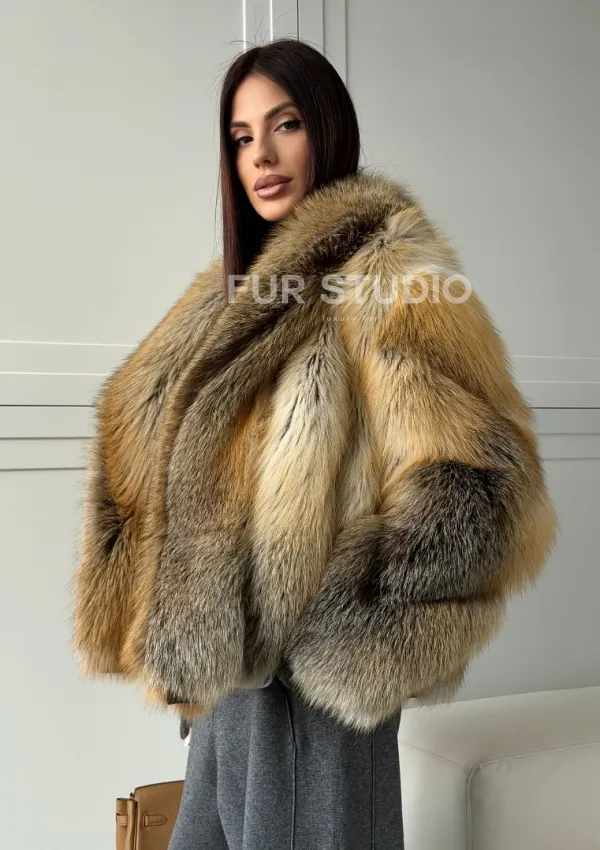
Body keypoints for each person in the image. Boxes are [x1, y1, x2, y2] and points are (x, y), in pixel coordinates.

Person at [71, 38, 558, 850]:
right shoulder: (240, 296)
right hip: (232, 696)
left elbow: (484, 483)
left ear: (327, 129)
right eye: (241, 137)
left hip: (310, 698)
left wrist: (337, 628)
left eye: (285, 124)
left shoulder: (393, 277)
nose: (261, 155)